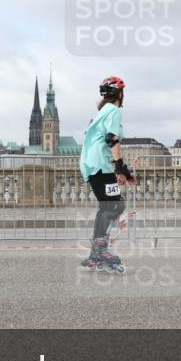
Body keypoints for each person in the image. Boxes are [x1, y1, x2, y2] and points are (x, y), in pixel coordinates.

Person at [79, 76, 135, 273]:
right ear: (120, 94)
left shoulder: (103, 111)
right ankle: (101, 250)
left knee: (109, 206)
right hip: (99, 165)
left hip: (94, 165)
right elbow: (112, 139)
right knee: (115, 205)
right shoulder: (113, 110)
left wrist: (122, 170)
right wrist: (120, 167)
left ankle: (97, 251)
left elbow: (105, 140)